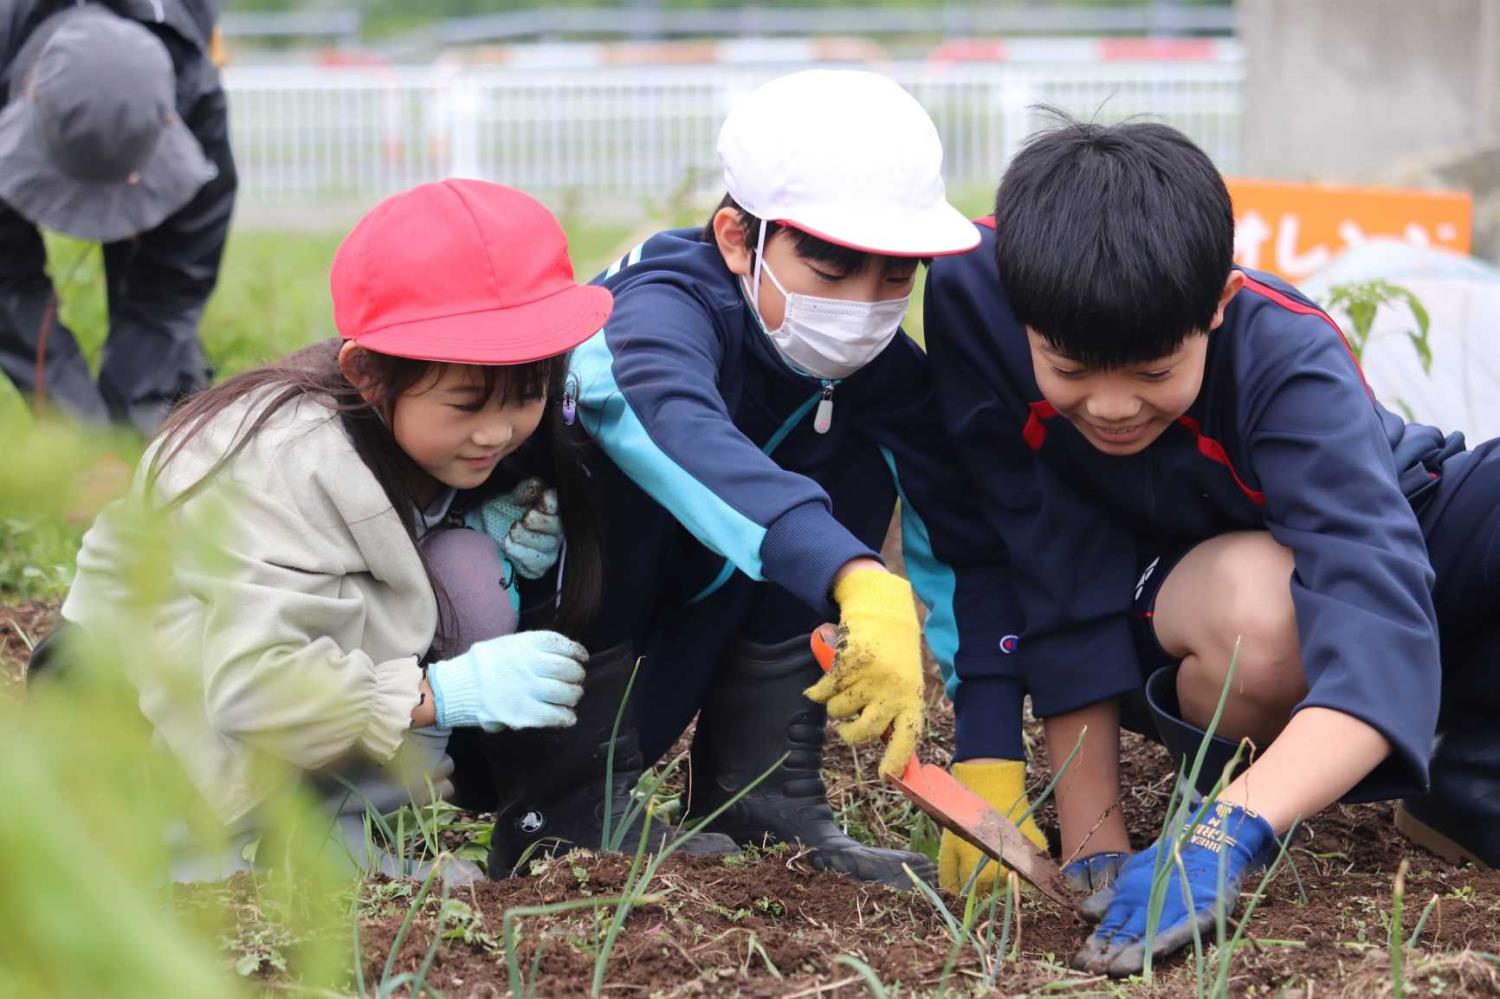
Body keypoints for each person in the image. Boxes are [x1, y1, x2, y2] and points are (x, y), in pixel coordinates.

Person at [922, 116, 1500, 975]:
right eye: (1071, 371)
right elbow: (1036, 545)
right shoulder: (980, 292)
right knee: (1263, 612)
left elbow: (1375, 599)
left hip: (1388, 524)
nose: (1113, 407)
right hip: (1192, 597)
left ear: (1221, 303)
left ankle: (1466, 786)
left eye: (1155, 371)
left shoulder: (1285, 351)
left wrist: (1222, 836)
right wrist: (1091, 838)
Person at [478, 69, 1033, 889]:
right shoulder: (656, 307)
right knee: (620, 466)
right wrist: (856, 575)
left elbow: (967, 548)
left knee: (850, 438)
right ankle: (566, 807)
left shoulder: (885, 377)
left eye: (896, 277)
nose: (866, 306)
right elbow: (677, 429)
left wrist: (991, 754)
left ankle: (762, 788)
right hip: (505, 690)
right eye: (833, 269)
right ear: (738, 236)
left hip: (686, 644)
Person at [49, 179, 632, 880]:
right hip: (137, 710)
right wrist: (441, 694)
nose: (498, 431)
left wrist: (486, 532)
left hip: (230, 682)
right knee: (190, 873)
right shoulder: (287, 462)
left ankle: (331, 823)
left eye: (526, 396)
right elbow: (251, 685)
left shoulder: (403, 434)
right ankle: (220, 842)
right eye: (467, 404)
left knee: (470, 570)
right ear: (367, 372)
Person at [0, 1, 235, 434]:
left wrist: (138, 418)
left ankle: (168, 448)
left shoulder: (193, 85)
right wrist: (80, 429)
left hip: (162, 102)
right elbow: (7, 285)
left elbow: (174, 284)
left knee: (156, 383)